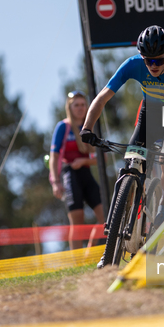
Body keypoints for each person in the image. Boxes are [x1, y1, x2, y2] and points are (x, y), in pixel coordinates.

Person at [79, 25, 164, 265]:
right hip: (149, 116)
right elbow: (104, 96)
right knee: (130, 165)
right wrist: (87, 128)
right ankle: (115, 236)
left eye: (158, 60)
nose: (153, 66)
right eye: (148, 61)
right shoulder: (133, 64)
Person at [49, 91, 105, 249]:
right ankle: (77, 261)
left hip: (86, 173)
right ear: (70, 107)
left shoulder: (90, 127)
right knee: (77, 222)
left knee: (105, 216)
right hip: (70, 175)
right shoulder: (63, 127)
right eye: (76, 105)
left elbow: (103, 158)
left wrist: (84, 161)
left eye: (83, 104)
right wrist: (56, 182)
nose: (80, 108)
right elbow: (53, 156)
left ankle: (90, 247)